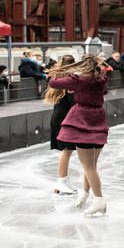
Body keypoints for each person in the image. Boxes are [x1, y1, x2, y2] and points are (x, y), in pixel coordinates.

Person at [47, 54, 111, 216]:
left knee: (88, 166)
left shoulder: (78, 80)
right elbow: (103, 89)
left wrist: (68, 73)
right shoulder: (101, 80)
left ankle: (99, 200)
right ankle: (85, 194)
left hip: (82, 121)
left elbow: (53, 82)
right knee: (91, 166)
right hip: (99, 119)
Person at [44, 55, 78, 196]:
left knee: (67, 150)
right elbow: (73, 102)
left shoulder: (58, 78)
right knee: (67, 149)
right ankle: (61, 180)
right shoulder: (68, 82)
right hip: (64, 118)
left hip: (59, 116)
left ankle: (64, 179)